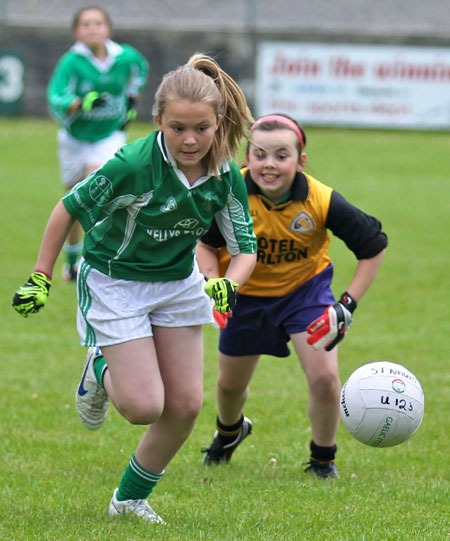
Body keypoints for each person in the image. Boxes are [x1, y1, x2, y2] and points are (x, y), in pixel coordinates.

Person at [12, 53, 257, 524]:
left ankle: (128, 500)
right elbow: (68, 209)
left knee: (185, 405)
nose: (190, 140)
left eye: (201, 128)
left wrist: (229, 282)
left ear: (218, 121)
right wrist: (42, 275)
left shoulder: (224, 173)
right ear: (158, 120)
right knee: (144, 406)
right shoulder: (134, 163)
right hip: (115, 280)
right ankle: (98, 366)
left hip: (177, 281)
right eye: (178, 128)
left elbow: (243, 244)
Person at [197, 114, 387, 479]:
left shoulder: (321, 199)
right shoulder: (229, 192)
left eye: (281, 155)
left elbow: (373, 246)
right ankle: (230, 431)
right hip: (246, 297)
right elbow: (205, 246)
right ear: (247, 156)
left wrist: (347, 304)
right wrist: (217, 283)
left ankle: (322, 460)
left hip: (305, 292)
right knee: (229, 385)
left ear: (300, 161)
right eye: (260, 154)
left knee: (324, 379)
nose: (269, 164)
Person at [47, 6, 149, 281]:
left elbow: (139, 73)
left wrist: (131, 101)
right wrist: (81, 103)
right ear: (76, 32)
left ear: (109, 29)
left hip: (109, 135)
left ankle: (96, 260)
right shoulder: (71, 62)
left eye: (98, 23)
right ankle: (71, 259)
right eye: (86, 24)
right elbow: (56, 97)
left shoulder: (126, 57)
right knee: (72, 201)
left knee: (96, 184)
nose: (93, 29)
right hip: (74, 139)